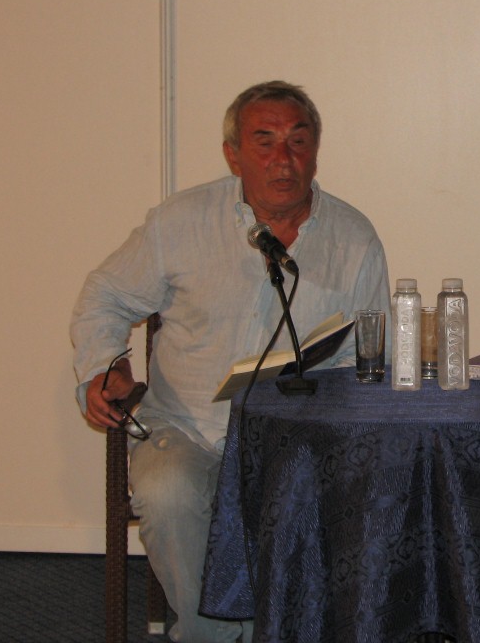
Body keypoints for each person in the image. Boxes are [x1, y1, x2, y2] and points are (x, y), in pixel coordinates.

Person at [71, 80, 391, 643]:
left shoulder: (354, 239)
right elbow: (106, 296)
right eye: (264, 141)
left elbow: (368, 354)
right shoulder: (181, 221)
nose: (283, 158)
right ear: (233, 154)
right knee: (168, 492)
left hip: (293, 441)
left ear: (315, 151)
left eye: (297, 141)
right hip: (186, 428)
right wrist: (105, 365)